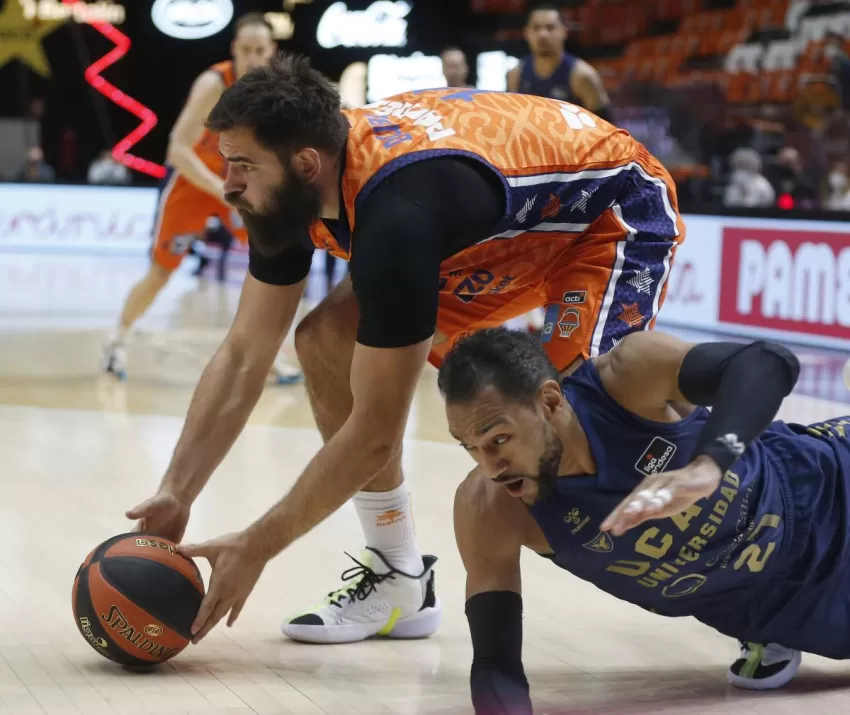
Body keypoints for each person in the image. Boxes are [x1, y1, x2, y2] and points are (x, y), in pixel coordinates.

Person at [125, 52, 685, 647]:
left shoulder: (395, 218)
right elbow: (244, 355)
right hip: (493, 231)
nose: (227, 183)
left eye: (240, 165)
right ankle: (398, 576)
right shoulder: (292, 188)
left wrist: (256, 545)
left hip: (604, 212)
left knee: (580, 430)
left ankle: (768, 542)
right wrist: (177, 490)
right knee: (326, 339)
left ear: (306, 163)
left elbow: (374, 432)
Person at [436, 325, 850, 713]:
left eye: (499, 439)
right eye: (471, 447)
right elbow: (496, 667)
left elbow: (770, 362)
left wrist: (708, 465)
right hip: (783, 610)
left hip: (827, 487)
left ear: (549, 402)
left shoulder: (627, 378)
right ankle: (768, 642)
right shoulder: (489, 511)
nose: (491, 466)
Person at [101, 13, 301, 384]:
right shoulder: (214, 82)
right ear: (234, 50)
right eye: (246, 50)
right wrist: (220, 189)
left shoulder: (277, 89)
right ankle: (117, 339)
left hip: (240, 183)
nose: (253, 58)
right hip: (194, 183)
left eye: (260, 50)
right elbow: (177, 149)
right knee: (162, 271)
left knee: (268, 270)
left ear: (272, 51)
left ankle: (263, 355)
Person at [507, 3, 613, 122]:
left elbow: (608, 128)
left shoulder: (582, 76)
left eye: (550, 27)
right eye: (536, 28)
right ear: (526, 33)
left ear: (564, 32)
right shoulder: (515, 74)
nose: (543, 34)